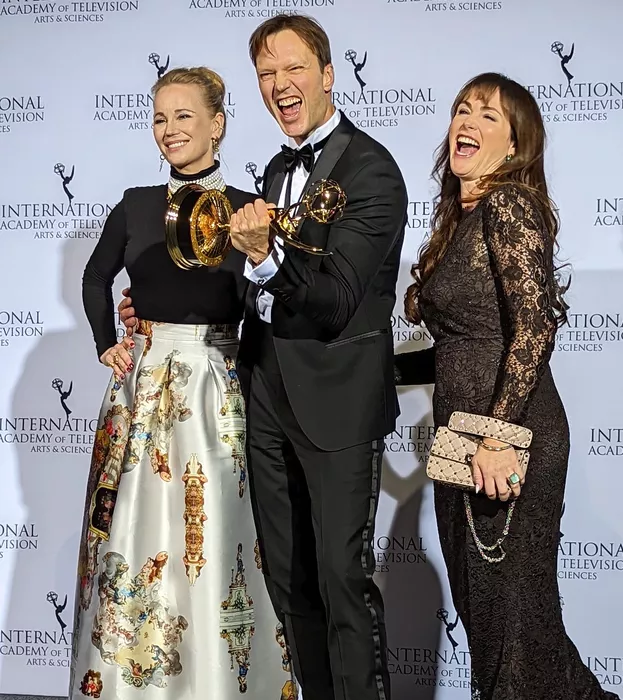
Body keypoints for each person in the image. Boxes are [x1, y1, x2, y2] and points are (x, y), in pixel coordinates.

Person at [120, 14, 408, 700]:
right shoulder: (277, 170)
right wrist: (157, 307)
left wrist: (267, 256)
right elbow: (253, 288)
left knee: (342, 580)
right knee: (286, 582)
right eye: (266, 74)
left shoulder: (372, 169)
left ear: (328, 75)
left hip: (338, 404)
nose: (280, 84)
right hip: (266, 398)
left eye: (294, 68)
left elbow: (335, 300)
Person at [72, 66, 296, 700]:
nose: (169, 130)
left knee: (221, 533)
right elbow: (95, 278)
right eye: (160, 118)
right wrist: (108, 343)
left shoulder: (250, 209)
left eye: (184, 116)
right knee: (132, 529)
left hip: (217, 389)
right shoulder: (136, 204)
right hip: (142, 389)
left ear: (217, 125)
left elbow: (268, 300)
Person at [394, 72, 620, 700]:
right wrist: (368, 373)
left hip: (506, 443)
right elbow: (461, 349)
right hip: (460, 447)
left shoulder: (508, 206)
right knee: (501, 630)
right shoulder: (460, 223)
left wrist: (496, 437)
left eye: (489, 116)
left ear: (516, 145)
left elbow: (534, 327)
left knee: (517, 634)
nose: (467, 122)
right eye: (462, 110)